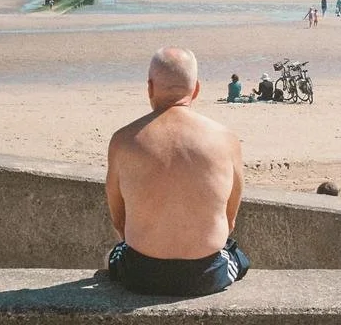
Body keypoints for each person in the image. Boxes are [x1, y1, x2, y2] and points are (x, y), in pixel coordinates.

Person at [105, 47, 250, 296]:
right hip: (206, 274)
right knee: (237, 255)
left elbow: (119, 219)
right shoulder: (226, 139)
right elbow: (230, 218)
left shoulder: (123, 140)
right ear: (196, 89)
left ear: (150, 88)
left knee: (112, 254)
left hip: (141, 274)